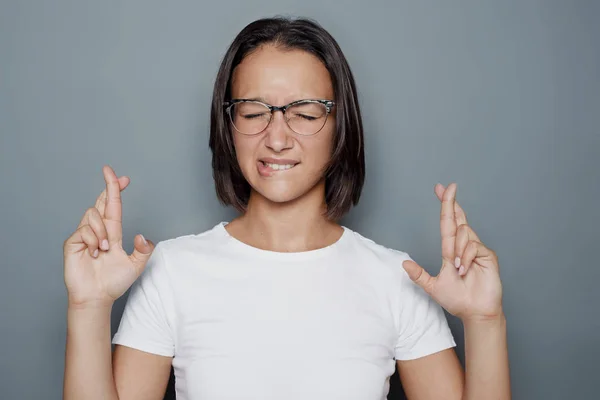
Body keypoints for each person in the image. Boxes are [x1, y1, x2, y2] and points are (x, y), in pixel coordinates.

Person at [63, 17, 510, 400]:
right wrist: (88, 307)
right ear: (229, 125)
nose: (277, 138)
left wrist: (485, 321)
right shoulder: (170, 272)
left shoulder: (398, 281)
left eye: (306, 112)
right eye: (254, 111)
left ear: (341, 126)